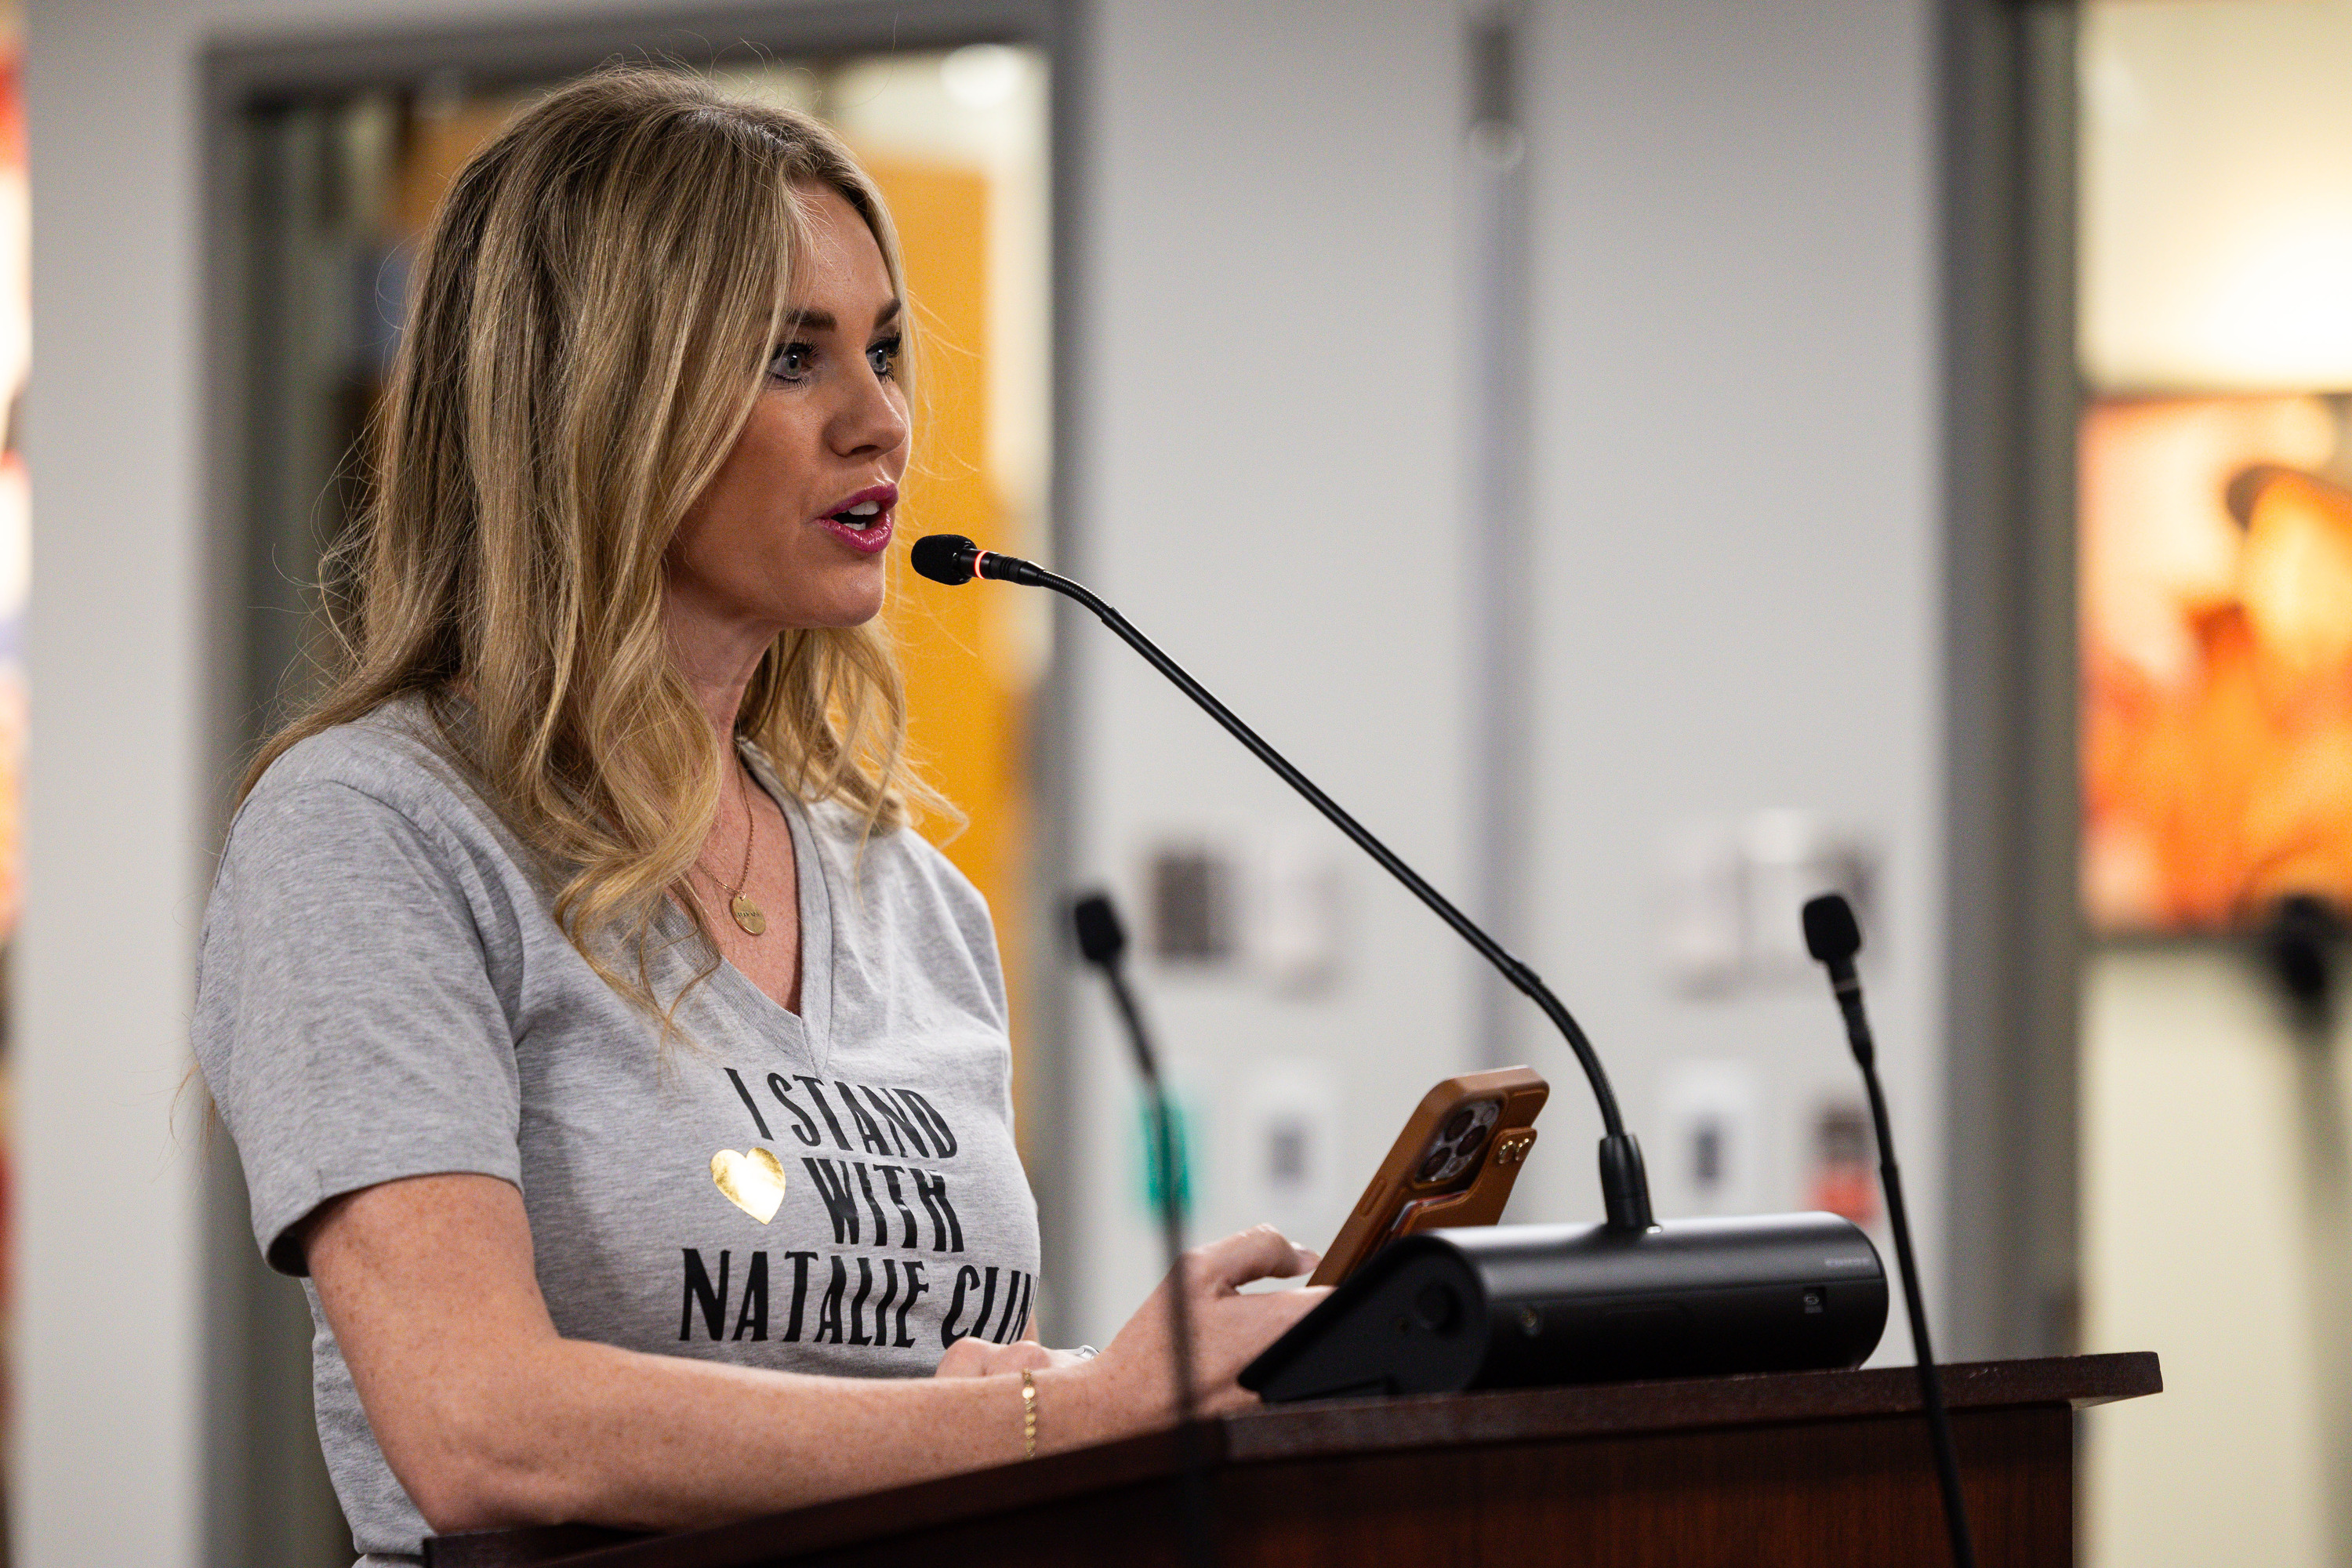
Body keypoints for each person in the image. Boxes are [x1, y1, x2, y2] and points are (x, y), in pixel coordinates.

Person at [193, 67, 1326, 1566]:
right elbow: (482, 1433)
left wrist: (1098, 1390)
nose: (881, 421)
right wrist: (1062, 1417)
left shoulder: (913, 897)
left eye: (885, 349)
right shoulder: (375, 830)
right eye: (793, 358)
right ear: (601, 402)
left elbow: (924, 1408)